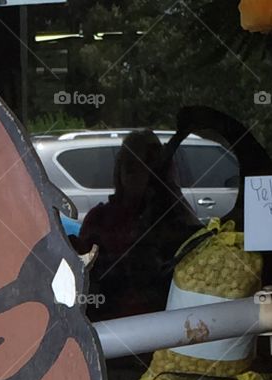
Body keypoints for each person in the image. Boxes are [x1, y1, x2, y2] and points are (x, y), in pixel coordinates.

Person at [72, 129, 199, 322]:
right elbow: (83, 280)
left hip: (166, 328)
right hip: (108, 329)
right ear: (119, 170)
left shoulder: (173, 221)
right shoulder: (99, 219)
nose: (138, 176)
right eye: (131, 167)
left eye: (149, 168)